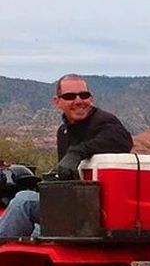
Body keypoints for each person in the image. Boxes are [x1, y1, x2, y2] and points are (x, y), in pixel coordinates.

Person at [0, 74, 133, 238]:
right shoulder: (63, 132)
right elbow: (65, 173)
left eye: (83, 95)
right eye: (70, 96)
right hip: (74, 205)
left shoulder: (104, 121)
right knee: (33, 231)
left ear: (91, 99)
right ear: (57, 102)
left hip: (94, 210)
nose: (78, 101)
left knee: (23, 201)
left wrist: (77, 152)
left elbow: (122, 141)